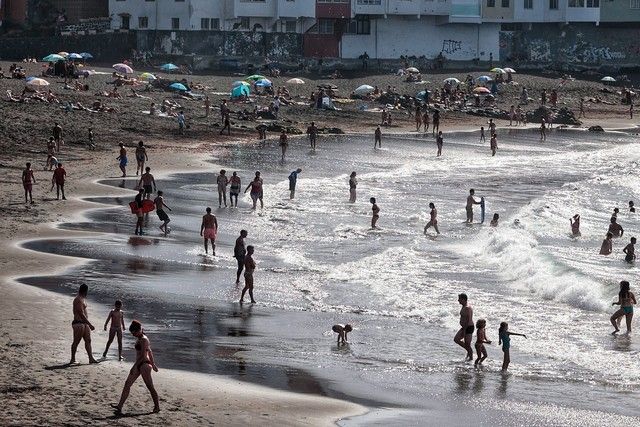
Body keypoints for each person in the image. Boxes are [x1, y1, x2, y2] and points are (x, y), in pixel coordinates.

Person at [111, 320, 160, 415]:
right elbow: (149, 351)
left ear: (138, 330)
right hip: (140, 364)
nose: (133, 335)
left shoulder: (144, 339)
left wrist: (135, 367)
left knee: (150, 387)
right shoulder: (140, 338)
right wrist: (153, 364)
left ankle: (157, 406)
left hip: (144, 364)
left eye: (134, 333)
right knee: (127, 383)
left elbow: (143, 355)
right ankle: (119, 406)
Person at [70, 283, 98, 364]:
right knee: (76, 341)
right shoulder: (78, 299)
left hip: (84, 324)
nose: (87, 293)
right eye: (87, 291)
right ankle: (73, 359)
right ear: (84, 291)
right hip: (78, 323)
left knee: (88, 340)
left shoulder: (82, 299)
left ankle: (91, 358)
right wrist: (90, 324)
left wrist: (87, 324)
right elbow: (81, 313)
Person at [454, 293, 474, 361]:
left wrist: (465, 331)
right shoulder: (463, 306)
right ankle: (469, 352)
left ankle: (471, 357)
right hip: (465, 327)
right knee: (456, 339)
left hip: (468, 327)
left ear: (463, 299)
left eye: (459, 299)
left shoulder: (467, 308)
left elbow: (468, 320)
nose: (458, 300)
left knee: (467, 344)